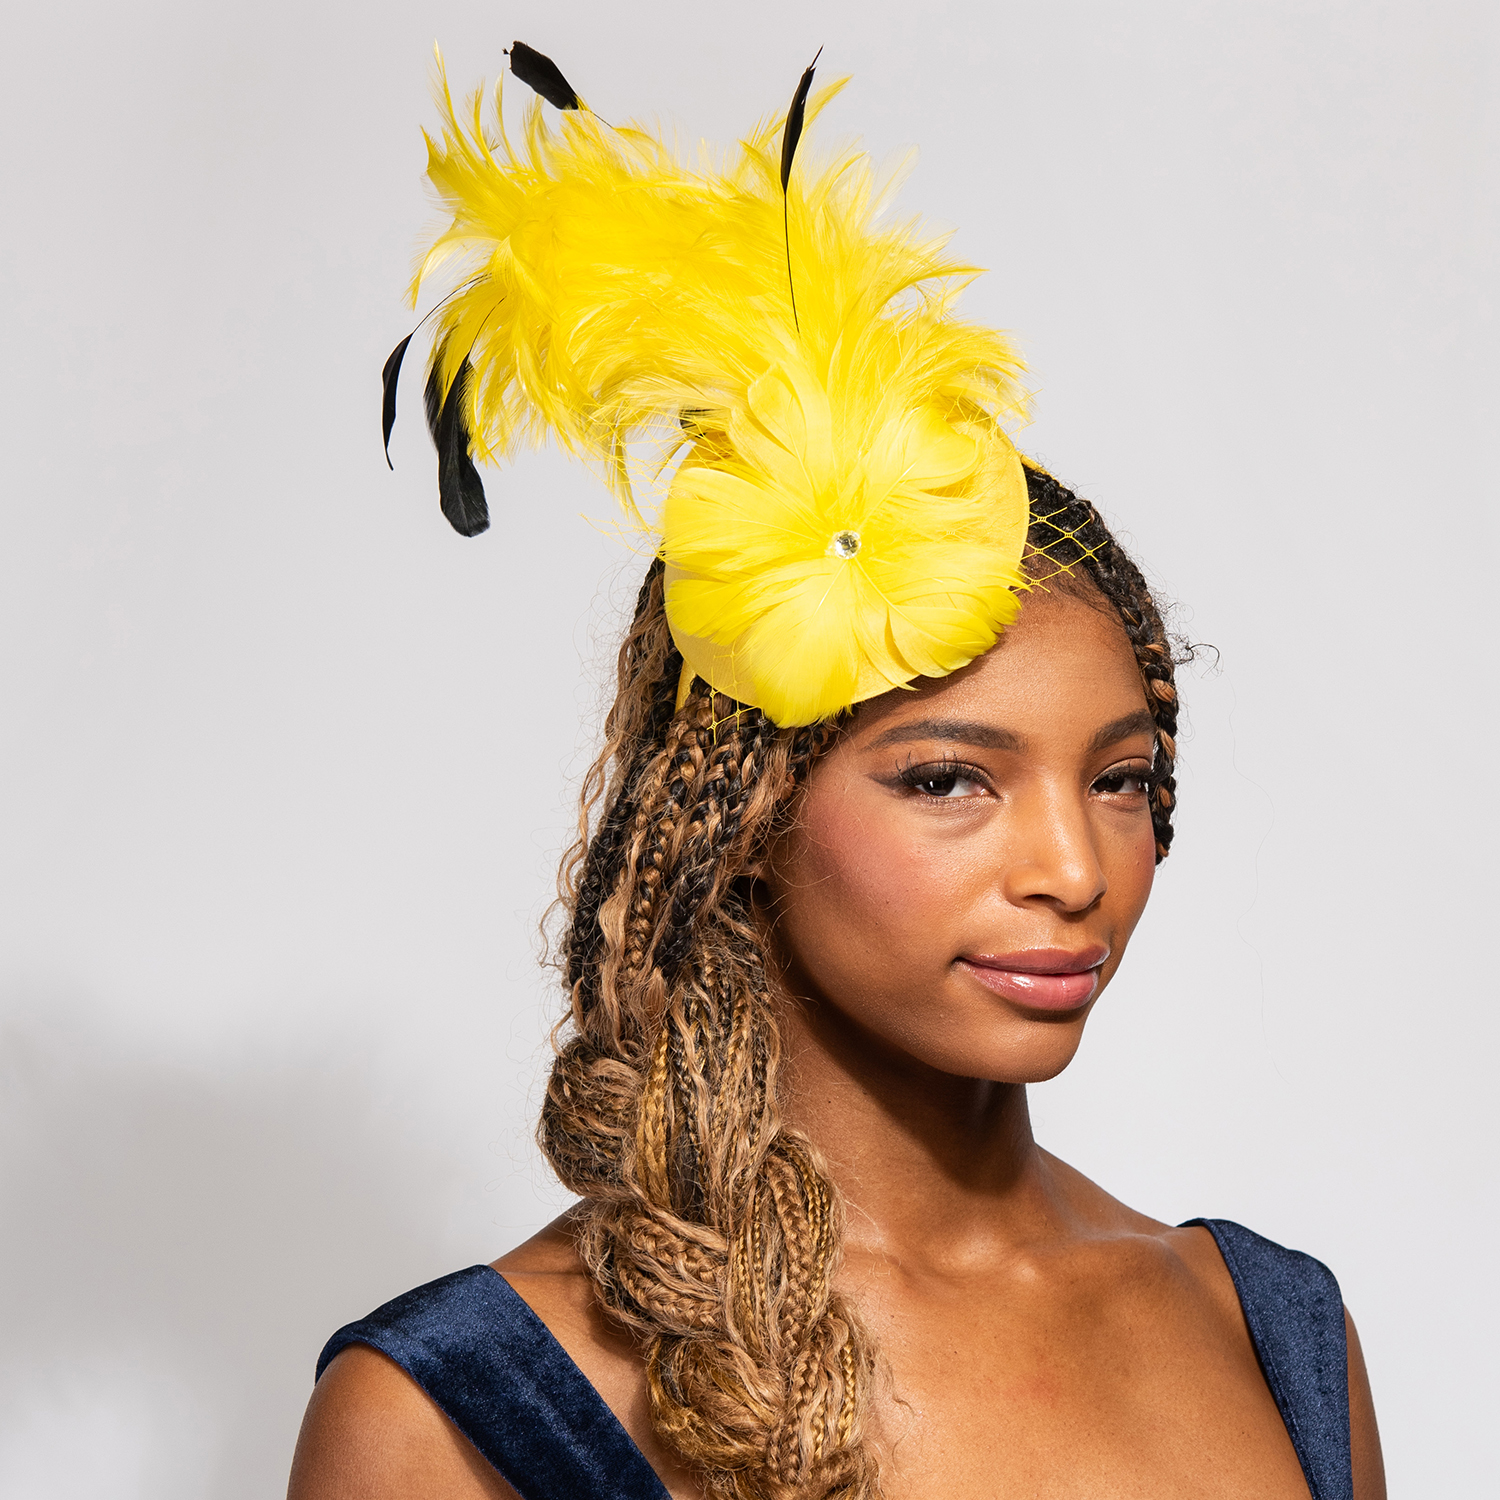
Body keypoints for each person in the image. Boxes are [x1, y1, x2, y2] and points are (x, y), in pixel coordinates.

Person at [287, 44, 1384, 1500]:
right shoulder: (462, 1413)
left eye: (1120, 780)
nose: (1074, 870)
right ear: (735, 817)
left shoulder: (1272, 1336)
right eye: (948, 781)